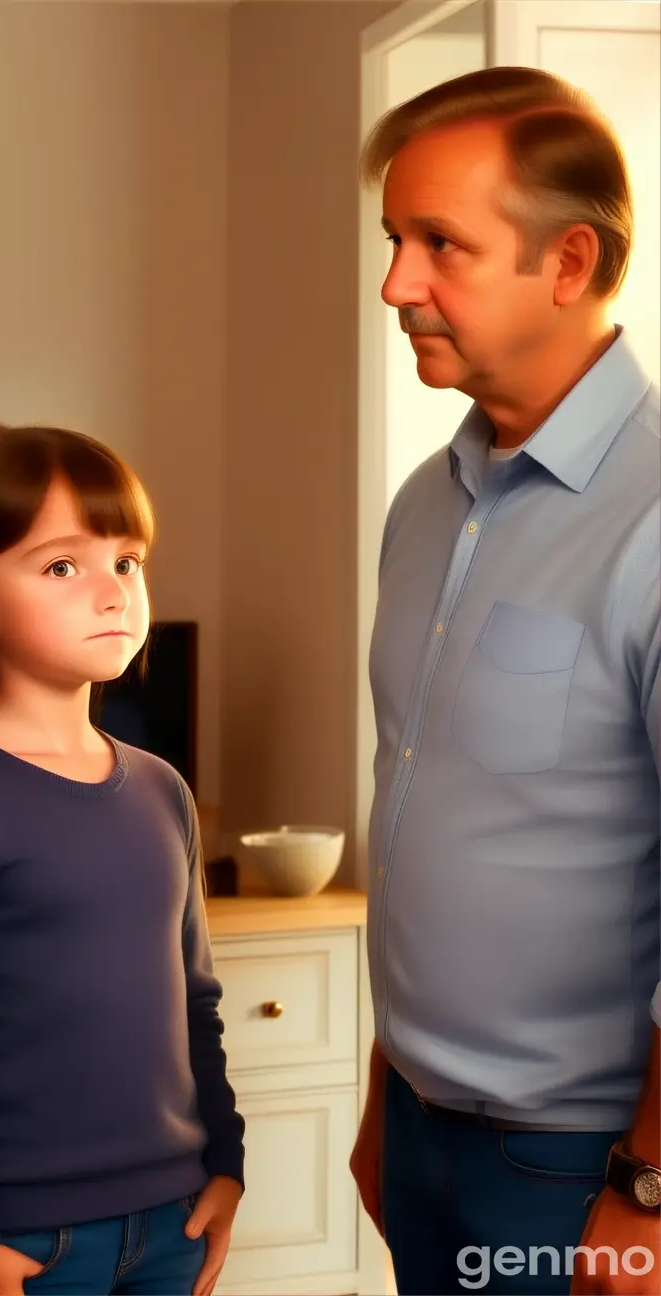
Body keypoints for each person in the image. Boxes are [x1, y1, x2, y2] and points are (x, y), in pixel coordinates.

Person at [349, 66, 660, 1296]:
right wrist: (388, 1095)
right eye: (394, 240)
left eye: (441, 246)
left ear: (570, 261)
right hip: (423, 1130)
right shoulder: (427, 504)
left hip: (584, 1166)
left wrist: (648, 1190)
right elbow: (424, 818)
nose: (395, 286)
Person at [0, 427, 245, 1296]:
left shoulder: (161, 790)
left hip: (174, 1225)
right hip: (18, 1240)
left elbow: (196, 1005)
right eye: (62, 568)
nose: (113, 593)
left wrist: (226, 1166)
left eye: (128, 561)